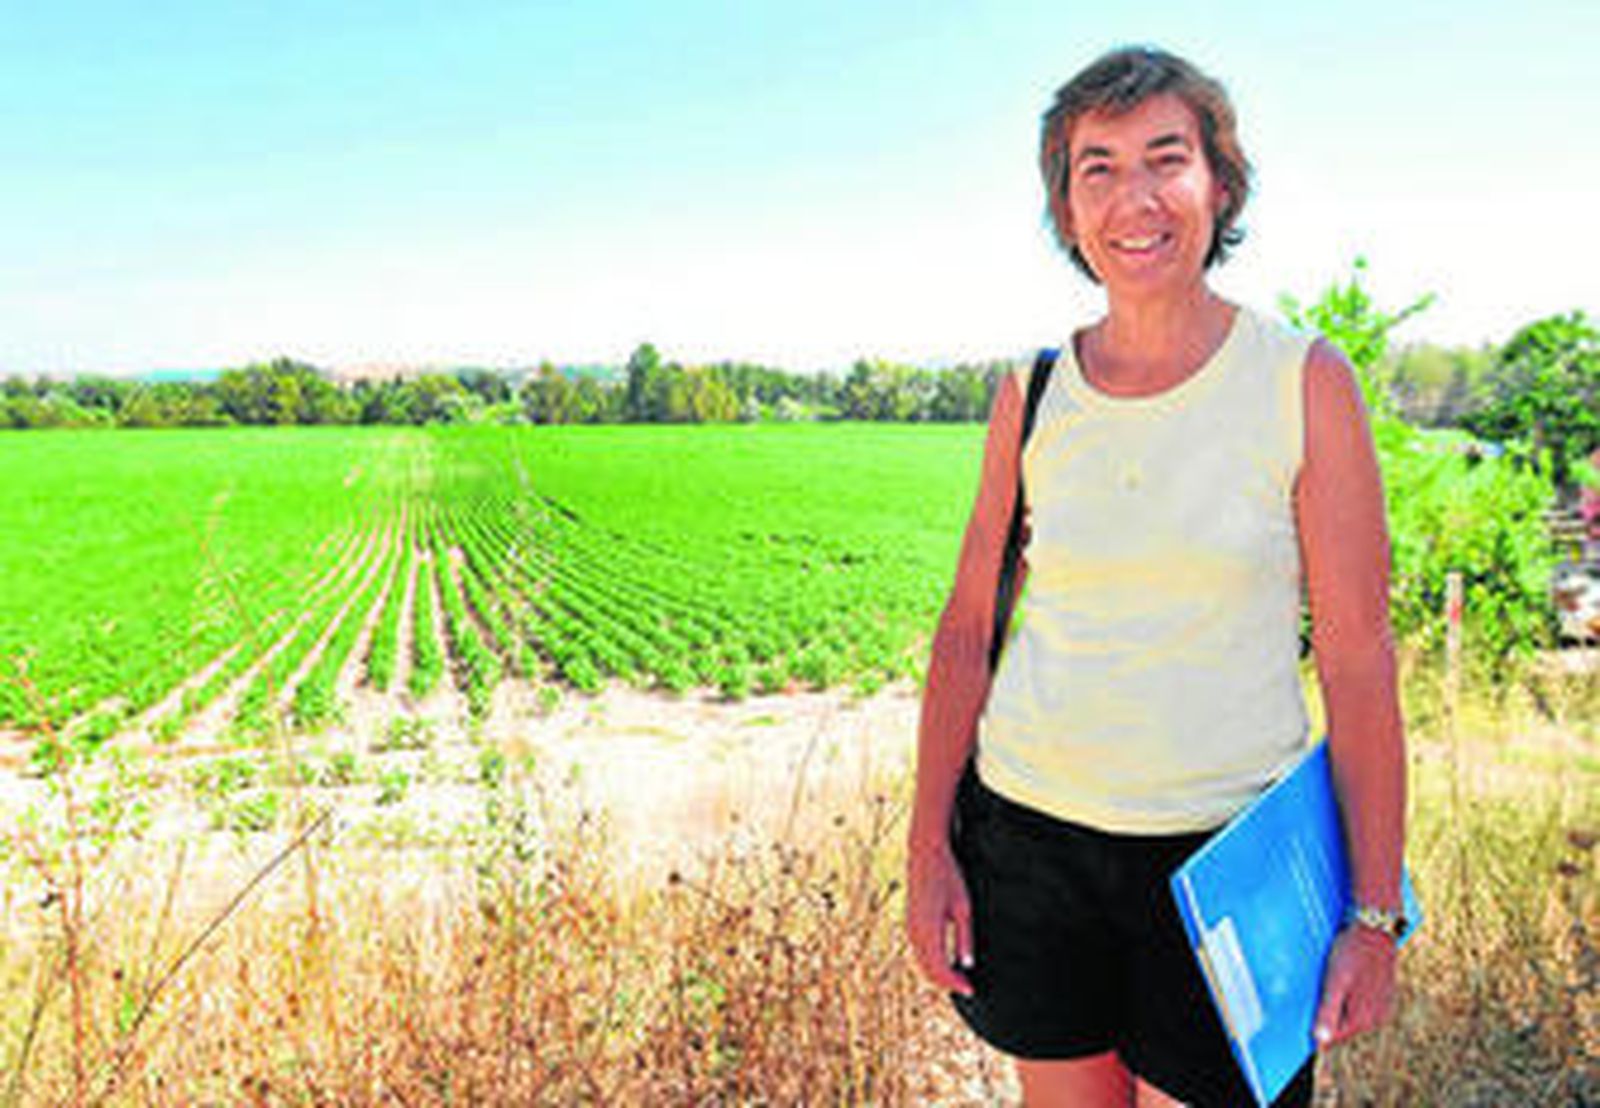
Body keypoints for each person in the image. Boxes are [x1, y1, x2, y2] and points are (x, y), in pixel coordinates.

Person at [905, 45, 1406, 1107]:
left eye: (1164, 159)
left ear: (1217, 184)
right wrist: (926, 849)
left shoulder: (1304, 381)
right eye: (1097, 167)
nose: (1133, 197)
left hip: (1225, 868)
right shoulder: (1031, 390)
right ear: (1066, 208)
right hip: (1031, 842)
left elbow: (1360, 659)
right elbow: (965, 633)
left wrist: (1371, 913)